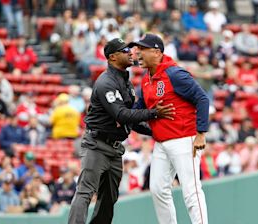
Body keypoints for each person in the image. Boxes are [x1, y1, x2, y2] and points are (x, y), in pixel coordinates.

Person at [68, 38, 174, 224]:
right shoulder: (105, 82)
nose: (131, 53)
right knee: (85, 192)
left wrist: (156, 132)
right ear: (113, 57)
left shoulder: (125, 82)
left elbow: (130, 120)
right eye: (125, 50)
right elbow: (122, 114)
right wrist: (154, 113)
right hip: (97, 145)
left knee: (109, 198)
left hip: (115, 148)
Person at [129, 33, 209, 224]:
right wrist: (124, 116)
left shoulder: (174, 74)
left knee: (191, 190)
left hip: (184, 138)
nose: (138, 53)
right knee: (157, 189)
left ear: (157, 52)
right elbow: (138, 110)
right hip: (162, 143)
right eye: (137, 49)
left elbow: (202, 98)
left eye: (142, 49)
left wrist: (200, 134)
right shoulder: (146, 79)